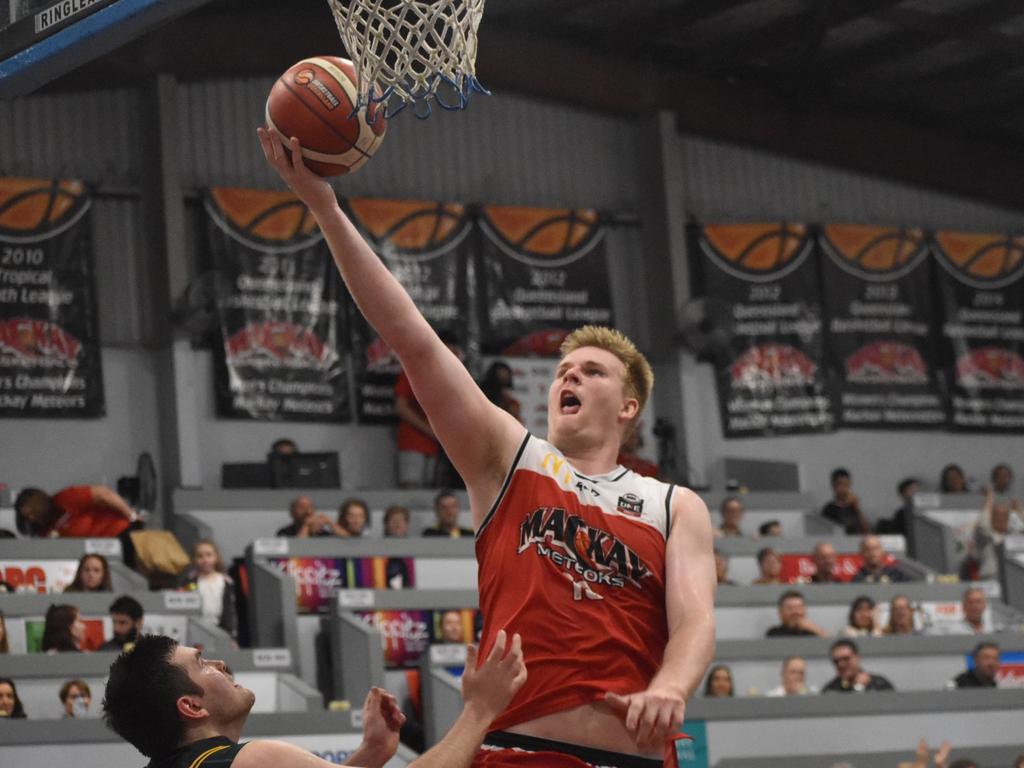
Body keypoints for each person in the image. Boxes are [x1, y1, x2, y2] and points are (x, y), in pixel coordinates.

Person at [257, 129, 716, 764]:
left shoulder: (674, 504)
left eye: (591, 370)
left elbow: (695, 619)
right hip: (518, 748)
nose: (568, 376)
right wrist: (325, 208)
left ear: (629, 407)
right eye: (563, 370)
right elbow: (413, 340)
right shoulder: (511, 455)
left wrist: (670, 685)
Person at [103, 632, 526, 768]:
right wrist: (480, 708)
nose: (219, 663)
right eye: (202, 664)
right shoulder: (254, 759)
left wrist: (370, 754)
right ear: (191, 707)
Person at [15, 484, 138, 538]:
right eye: (27, 517)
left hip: (119, 533)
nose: (31, 518)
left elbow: (103, 493)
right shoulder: (44, 532)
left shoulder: (65, 498)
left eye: (32, 512)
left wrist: (131, 515)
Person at [183, 540, 236, 638]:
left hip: (221, 628)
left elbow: (231, 610)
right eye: (200, 556)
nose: (205, 559)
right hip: (197, 628)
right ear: (194, 559)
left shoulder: (225, 581)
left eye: (209, 555)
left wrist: (231, 634)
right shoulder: (191, 581)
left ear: (216, 557)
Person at [968, 486, 1023, 580]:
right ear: (991, 518)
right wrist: (989, 498)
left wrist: (1019, 510)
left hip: (1015, 579)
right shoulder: (985, 533)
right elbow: (983, 523)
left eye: (1004, 517)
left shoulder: (1013, 534)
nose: (1001, 520)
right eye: (997, 516)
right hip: (991, 578)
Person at [822, 639, 894, 693]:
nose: (841, 664)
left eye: (846, 659)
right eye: (836, 661)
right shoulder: (831, 690)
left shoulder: (879, 684)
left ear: (858, 658)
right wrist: (859, 687)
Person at [820, 469, 870, 535]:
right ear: (833, 485)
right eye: (841, 484)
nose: (844, 488)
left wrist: (857, 508)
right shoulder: (828, 509)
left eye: (847, 485)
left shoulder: (854, 507)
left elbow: (867, 530)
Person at [275, 496, 339, 538]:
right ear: (292, 512)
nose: (307, 511)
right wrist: (306, 525)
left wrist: (330, 523)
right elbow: (297, 550)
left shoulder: (324, 534)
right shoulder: (284, 532)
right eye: (302, 507)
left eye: (310, 507)